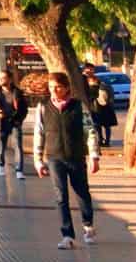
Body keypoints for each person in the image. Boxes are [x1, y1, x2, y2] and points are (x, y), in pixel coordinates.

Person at [34, 71, 100, 249]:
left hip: (76, 156)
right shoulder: (43, 107)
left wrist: (94, 155)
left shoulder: (79, 106)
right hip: (55, 157)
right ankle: (68, 235)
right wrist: (38, 160)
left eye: (58, 87)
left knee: (81, 192)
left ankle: (88, 225)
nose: (54, 91)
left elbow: (91, 130)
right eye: (51, 88)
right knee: (60, 196)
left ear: (67, 88)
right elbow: (39, 133)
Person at [0, 68, 29, 178]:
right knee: (1, 147)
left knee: (18, 146)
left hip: (14, 122)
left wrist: (19, 120)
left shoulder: (17, 92)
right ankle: (0, 166)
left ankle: (19, 170)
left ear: (10, 79)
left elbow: (24, 109)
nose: (1, 80)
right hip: (1, 123)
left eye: (3, 78)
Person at [83, 65, 116, 150]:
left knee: (106, 125)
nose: (90, 71)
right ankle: (101, 140)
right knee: (97, 125)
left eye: (91, 69)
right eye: (88, 69)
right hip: (93, 106)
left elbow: (108, 92)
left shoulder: (99, 81)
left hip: (103, 106)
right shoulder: (82, 81)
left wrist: (110, 101)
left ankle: (107, 141)